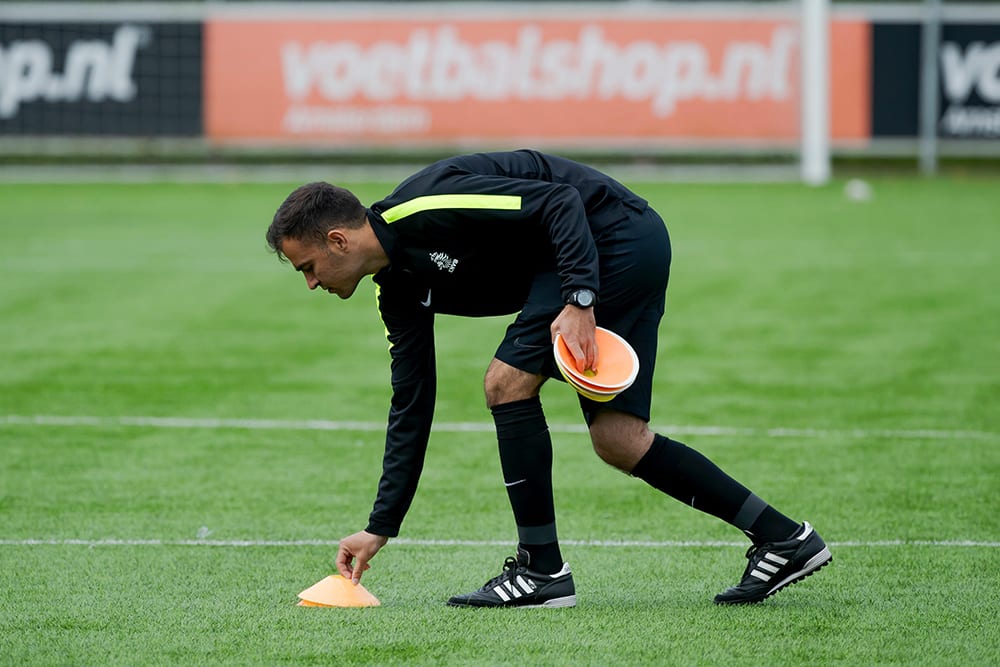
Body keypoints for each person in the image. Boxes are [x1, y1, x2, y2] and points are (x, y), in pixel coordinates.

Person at [265, 150, 831, 607]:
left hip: (614, 237)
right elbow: (412, 403)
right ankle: (785, 538)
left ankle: (541, 571)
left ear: (338, 240)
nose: (311, 283)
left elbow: (560, 201)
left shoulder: (426, 205)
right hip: (587, 260)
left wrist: (581, 296)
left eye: (307, 267)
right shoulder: (399, 290)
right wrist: (380, 525)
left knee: (505, 382)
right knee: (619, 441)